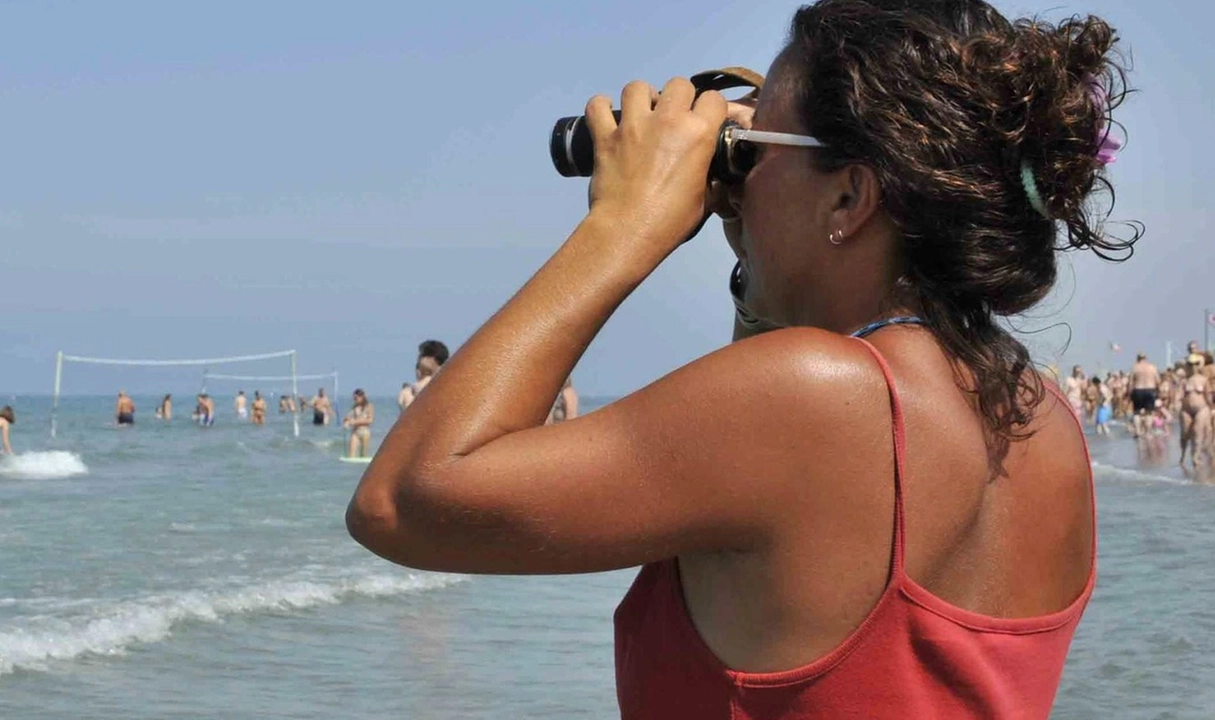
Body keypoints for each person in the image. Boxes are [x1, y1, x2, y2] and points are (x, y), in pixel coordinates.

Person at [347, 3, 1131, 716]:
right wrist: (758, 261)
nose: (737, 182)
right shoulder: (1041, 419)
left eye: (752, 152)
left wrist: (624, 227)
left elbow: (403, 502)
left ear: (849, 199)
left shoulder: (814, 402)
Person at [1179, 356, 1211, 467]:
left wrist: (1213, 409)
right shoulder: (1184, 381)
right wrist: (1175, 404)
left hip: (1201, 408)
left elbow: (1208, 395)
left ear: (1198, 365)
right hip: (1186, 409)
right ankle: (1183, 455)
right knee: (1185, 434)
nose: (1193, 367)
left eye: (1195, 364)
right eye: (1190, 364)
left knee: (1198, 431)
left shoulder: (1204, 379)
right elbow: (1179, 395)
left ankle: (1195, 456)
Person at [1128, 353, 1160, 437]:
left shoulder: (1135, 368)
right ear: (1146, 358)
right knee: (1149, 412)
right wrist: (1158, 392)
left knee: (1137, 412)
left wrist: (1129, 394)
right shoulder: (1152, 367)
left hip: (1138, 390)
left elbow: (1131, 382)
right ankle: (1148, 432)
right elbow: (1158, 381)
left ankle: (1137, 431)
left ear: (1138, 359)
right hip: (1150, 389)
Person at [343, 389, 375, 458]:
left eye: (356, 398)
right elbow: (348, 417)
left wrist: (354, 422)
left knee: (363, 455)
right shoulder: (354, 407)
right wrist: (346, 421)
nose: (355, 400)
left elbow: (370, 420)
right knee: (351, 455)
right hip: (355, 432)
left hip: (365, 432)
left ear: (362, 397)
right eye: (354, 398)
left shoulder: (369, 406)